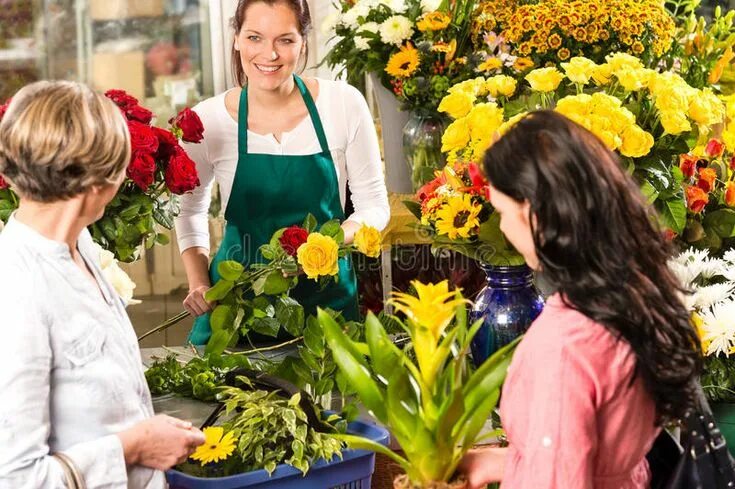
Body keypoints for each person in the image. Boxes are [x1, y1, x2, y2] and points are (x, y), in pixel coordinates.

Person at [459, 111, 701, 488]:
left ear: (533, 214)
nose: (503, 228)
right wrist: (505, 461)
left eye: (503, 211)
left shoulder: (564, 346)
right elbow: (593, 453)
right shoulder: (628, 296)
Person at [0, 81, 205, 488]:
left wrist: (146, 428)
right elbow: (18, 478)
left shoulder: (83, 246)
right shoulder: (17, 288)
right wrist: (134, 445)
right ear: (100, 184)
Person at [175, 0, 390, 345]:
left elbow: (375, 208)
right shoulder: (208, 120)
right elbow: (188, 211)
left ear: (303, 42)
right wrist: (199, 282)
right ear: (237, 39)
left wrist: (326, 244)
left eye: (285, 40)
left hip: (327, 307)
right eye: (255, 37)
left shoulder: (343, 104)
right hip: (235, 309)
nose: (269, 54)